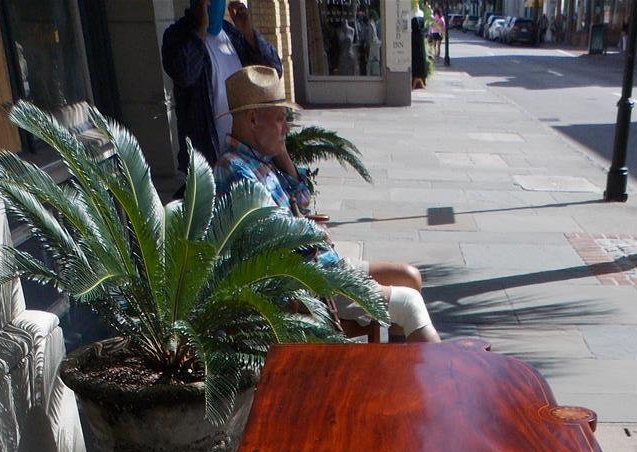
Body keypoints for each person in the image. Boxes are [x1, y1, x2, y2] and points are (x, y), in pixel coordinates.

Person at [216, 68, 441, 342]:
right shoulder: (237, 171)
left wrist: (282, 152)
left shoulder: (260, 160)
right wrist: (312, 230)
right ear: (252, 119)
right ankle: (444, 381)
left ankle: (398, 369)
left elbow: (302, 199)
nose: (286, 128)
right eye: (279, 119)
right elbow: (275, 235)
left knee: (410, 276)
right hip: (308, 283)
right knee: (408, 304)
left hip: (324, 263)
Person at [162, 0, 283, 171]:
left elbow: (274, 73)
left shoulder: (233, 35)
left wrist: (249, 34)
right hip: (207, 167)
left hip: (246, 162)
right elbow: (185, 74)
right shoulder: (177, 37)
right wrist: (201, 28)